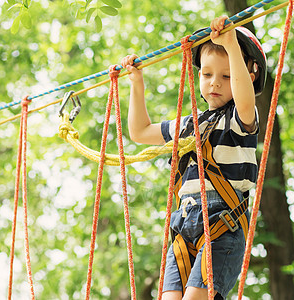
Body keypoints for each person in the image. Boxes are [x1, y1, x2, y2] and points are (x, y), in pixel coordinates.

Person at [121, 15, 267, 300]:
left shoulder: (240, 120)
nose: (215, 83)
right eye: (207, 74)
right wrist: (136, 84)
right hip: (184, 228)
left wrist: (231, 44)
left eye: (226, 76)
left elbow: (245, 98)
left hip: (222, 226)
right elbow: (139, 132)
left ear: (247, 77)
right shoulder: (189, 126)